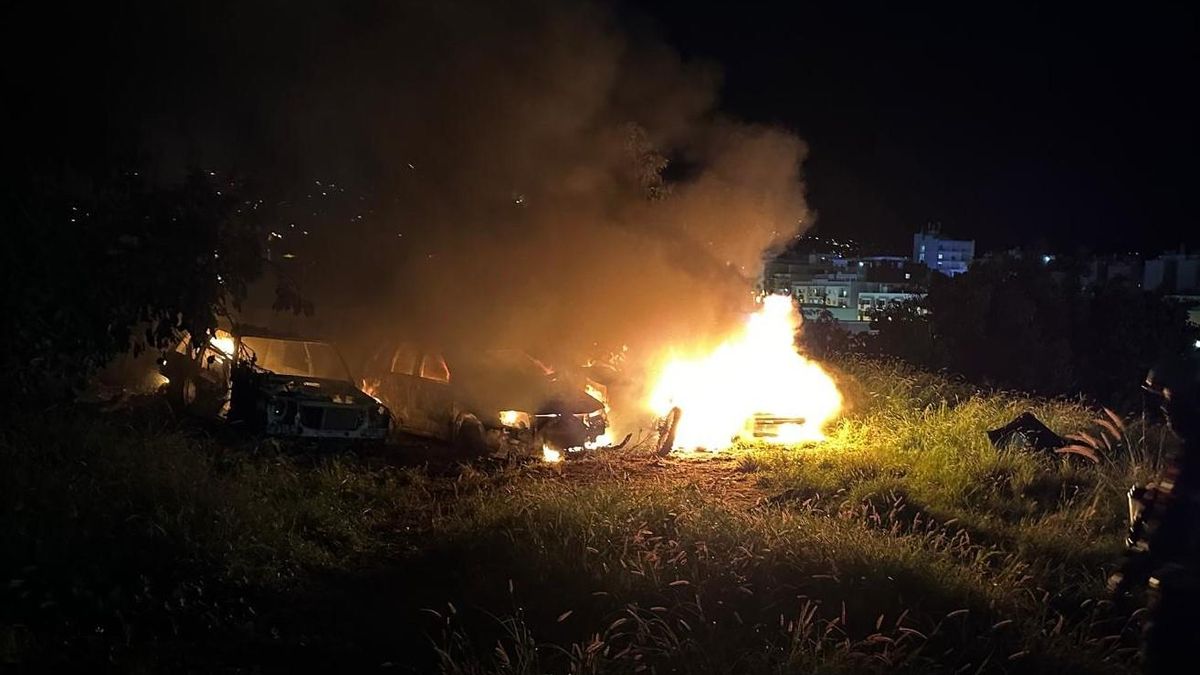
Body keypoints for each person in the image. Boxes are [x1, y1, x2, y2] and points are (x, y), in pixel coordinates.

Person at [1110, 356, 1200, 673]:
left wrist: (1131, 568)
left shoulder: (1194, 460)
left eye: (1170, 397)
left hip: (1184, 608)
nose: (1164, 407)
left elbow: (1178, 536)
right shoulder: (1187, 454)